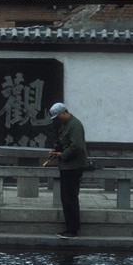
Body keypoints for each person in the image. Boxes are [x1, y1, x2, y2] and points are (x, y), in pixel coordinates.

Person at [48, 102, 89, 239]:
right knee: (66, 199)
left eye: (57, 116)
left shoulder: (75, 125)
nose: (57, 119)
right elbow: (63, 142)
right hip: (67, 167)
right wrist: (56, 150)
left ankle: (72, 230)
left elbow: (77, 147)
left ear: (64, 113)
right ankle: (69, 228)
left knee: (70, 199)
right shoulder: (66, 124)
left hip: (73, 167)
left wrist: (62, 155)